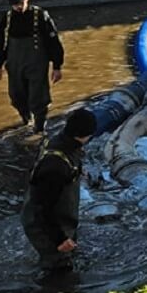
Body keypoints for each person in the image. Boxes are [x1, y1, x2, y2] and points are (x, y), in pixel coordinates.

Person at [21, 109, 94, 275]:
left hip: (56, 212)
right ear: (84, 135)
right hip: (42, 221)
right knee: (58, 268)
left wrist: (79, 171)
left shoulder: (61, 141)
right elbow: (43, 210)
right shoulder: (55, 167)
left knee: (69, 252)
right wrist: (59, 239)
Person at [0, 0, 64, 133]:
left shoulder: (40, 15)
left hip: (36, 63)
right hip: (15, 64)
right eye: (14, 4)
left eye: (20, 3)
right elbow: (1, 43)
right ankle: (26, 119)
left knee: (38, 98)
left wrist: (57, 66)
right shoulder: (7, 19)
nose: (18, 7)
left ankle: (39, 127)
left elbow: (54, 41)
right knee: (16, 96)